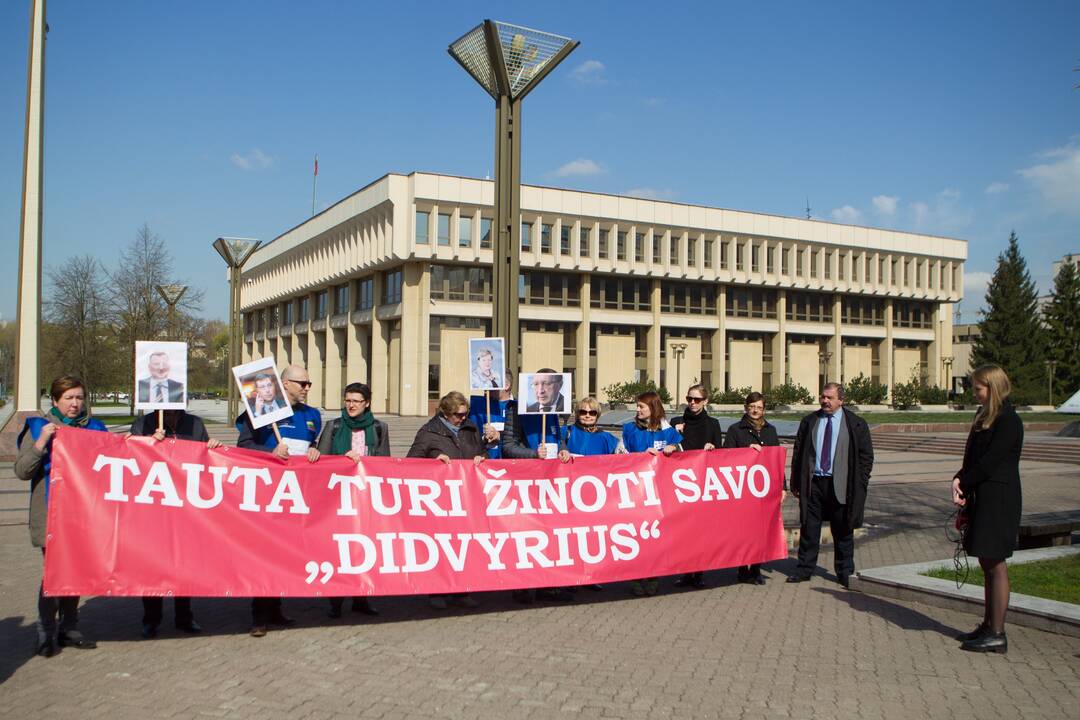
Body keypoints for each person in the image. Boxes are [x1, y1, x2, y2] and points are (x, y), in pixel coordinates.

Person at [15, 375, 109, 657]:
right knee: (54, 573)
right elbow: (22, 471)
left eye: (79, 398)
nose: (75, 404)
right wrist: (41, 442)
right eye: (68, 398)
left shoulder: (94, 428)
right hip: (51, 514)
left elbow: (113, 463)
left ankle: (69, 627)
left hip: (82, 515)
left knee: (74, 571)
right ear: (55, 400)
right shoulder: (37, 428)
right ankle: (45, 631)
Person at [236, 364, 322, 637]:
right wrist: (269, 451)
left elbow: (314, 445)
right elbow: (244, 446)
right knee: (264, 555)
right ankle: (259, 616)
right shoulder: (261, 411)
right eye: (302, 383)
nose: (307, 388)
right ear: (284, 384)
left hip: (296, 496)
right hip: (267, 495)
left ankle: (276, 609)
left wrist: (315, 452)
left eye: (309, 383)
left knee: (284, 555)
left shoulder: (312, 415)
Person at [129, 408, 223, 638]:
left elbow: (204, 458)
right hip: (155, 506)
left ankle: (184, 616)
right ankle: (151, 619)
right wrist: (148, 444)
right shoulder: (143, 424)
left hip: (186, 506)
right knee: (153, 564)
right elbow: (130, 457)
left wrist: (214, 448)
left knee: (184, 562)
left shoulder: (195, 424)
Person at [951, 365, 1023, 654]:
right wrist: (959, 479)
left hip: (999, 499)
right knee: (985, 561)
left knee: (995, 563)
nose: (974, 392)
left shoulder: (1008, 420)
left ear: (992, 387)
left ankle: (997, 632)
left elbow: (991, 461)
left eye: (978, 388)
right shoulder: (985, 416)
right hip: (983, 495)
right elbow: (973, 457)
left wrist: (965, 482)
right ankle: (988, 623)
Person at [788, 382, 873, 588]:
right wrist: (796, 481)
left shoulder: (856, 424)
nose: (825, 401)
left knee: (842, 530)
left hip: (841, 485)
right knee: (809, 528)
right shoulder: (810, 421)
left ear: (841, 400)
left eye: (830, 397)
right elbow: (799, 453)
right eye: (823, 397)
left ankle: (845, 572)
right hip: (814, 483)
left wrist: (859, 482)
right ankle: (804, 569)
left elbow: (866, 457)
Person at [407, 391, 486, 610]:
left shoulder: (470, 429)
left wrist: (482, 456)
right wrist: (433, 461)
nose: (462, 418)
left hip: (467, 498)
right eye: (457, 415)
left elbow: (479, 452)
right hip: (440, 502)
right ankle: (437, 591)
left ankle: (462, 590)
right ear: (445, 412)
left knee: (465, 546)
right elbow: (411, 461)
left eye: (465, 414)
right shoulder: (429, 431)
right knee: (442, 546)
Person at [316, 382, 388, 619]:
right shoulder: (334, 426)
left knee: (364, 549)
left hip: (366, 498)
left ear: (367, 403)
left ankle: (361, 597)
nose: (351, 405)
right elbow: (321, 461)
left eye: (356, 401)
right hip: (339, 498)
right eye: (348, 400)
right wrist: (341, 460)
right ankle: (335, 600)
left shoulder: (379, 428)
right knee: (339, 549)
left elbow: (384, 462)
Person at [556, 396, 623, 593]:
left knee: (592, 538)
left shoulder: (607, 438)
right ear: (577, 414)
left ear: (597, 415)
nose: (587, 416)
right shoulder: (566, 432)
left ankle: (592, 576)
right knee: (571, 537)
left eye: (591, 412)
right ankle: (570, 577)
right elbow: (553, 451)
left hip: (596, 497)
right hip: (570, 495)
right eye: (583, 412)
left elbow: (623, 461)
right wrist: (562, 450)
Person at [621, 391, 682, 597]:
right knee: (637, 534)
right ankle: (636, 576)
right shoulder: (629, 429)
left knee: (656, 535)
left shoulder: (667, 430)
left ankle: (654, 574)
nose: (637, 410)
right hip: (636, 491)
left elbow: (685, 452)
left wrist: (674, 447)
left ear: (653, 408)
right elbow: (622, 455)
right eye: (637, 407)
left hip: (660, 492)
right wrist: (640, 456)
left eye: (642, 407)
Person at [723, 391, 782, 586]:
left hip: (764, 488)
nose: (755, 410)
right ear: (746, 408)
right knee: (743, 530)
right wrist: (746, 452)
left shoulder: (770, 431)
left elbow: (776, 462)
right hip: (742, 488)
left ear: (764, 409)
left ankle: (756, 569)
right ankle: (742, 569)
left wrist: (782, 487)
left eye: (759, 407)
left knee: (760, 530)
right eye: (752, 407)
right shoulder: (735, 430)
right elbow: (726, 457)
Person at [672, 383, 724, 589]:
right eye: (689, 399)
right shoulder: (676, 421)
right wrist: (675, 434)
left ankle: (699, 572)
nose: (692, 403)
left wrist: (712, 448)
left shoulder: (713, 424)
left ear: (705, 401)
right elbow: (667, 447)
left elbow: (720, 454)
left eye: (697, 400)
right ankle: (685, 571)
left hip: (702, 483)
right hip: (680, 483)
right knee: (683, 531)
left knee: (700, 531)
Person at [470, 370, 515, 459]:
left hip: (511, 464)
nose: (487, 385)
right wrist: (484, 438)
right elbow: (470, 438)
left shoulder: (517, 408)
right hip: (486, 463)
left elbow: (522, 441)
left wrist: (499, 436)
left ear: (506, 386)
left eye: (493, 381)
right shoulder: (479, 407)